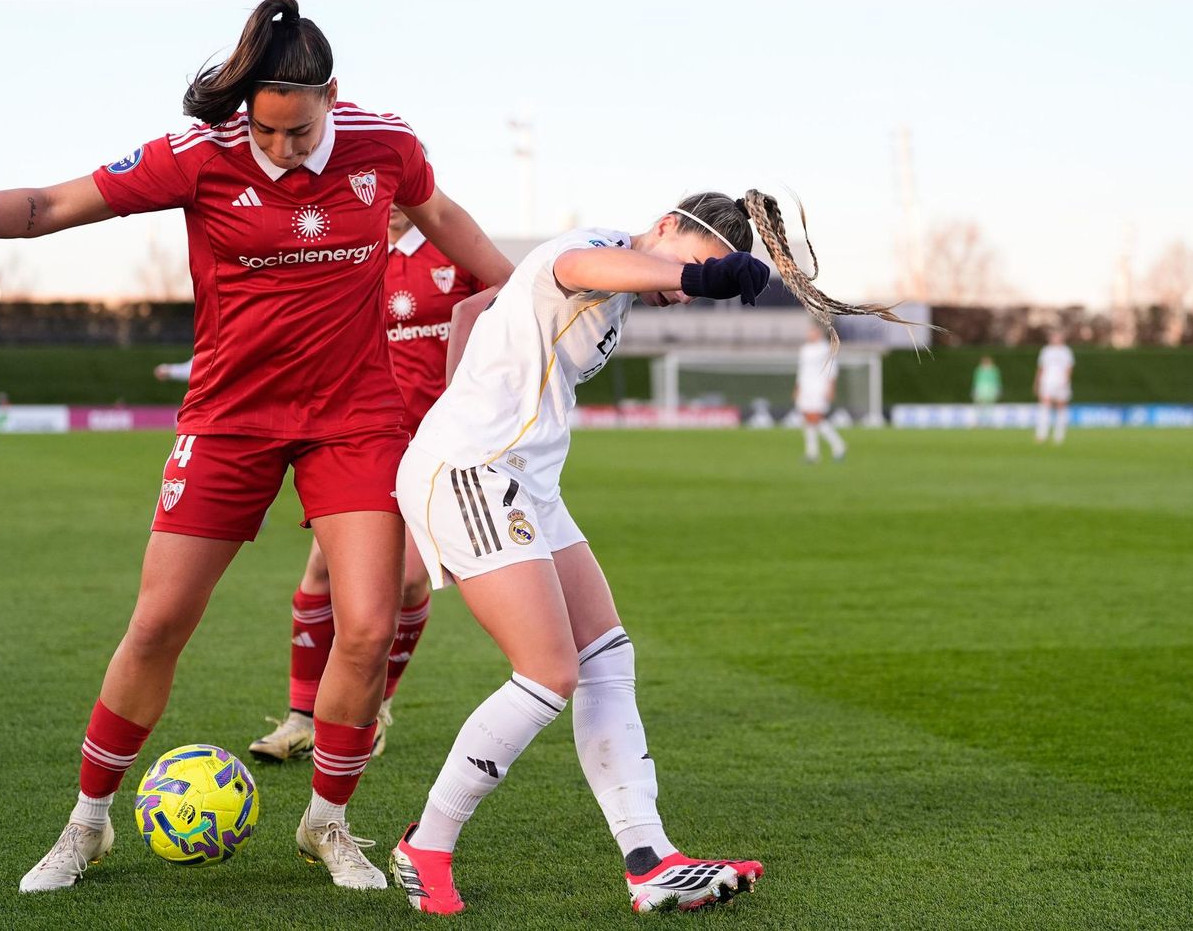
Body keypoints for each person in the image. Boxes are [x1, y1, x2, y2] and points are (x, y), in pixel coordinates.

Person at [0, 0, 513, 893]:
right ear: (243, 107)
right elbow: (47, 205)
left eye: (300, 130)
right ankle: (87, 822)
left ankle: (329, 825)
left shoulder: (386, 142)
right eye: (267, 130)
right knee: (158, 624)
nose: (283, 149)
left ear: (335, 95)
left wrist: (528, 292)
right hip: (229, 419)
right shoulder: (198, 155)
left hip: (353, 417)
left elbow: (443, 216)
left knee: (369, 628)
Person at [390, 190, 911, 915]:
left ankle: (650, 861)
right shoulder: (597, 248)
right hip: (476, 470)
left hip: (524, 475)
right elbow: (582, 265)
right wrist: (696, 277)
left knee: (607, 653)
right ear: (666, 226)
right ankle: (427, 845)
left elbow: (471, 312)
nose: (686, 293)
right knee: (547, 672)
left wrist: (467, 398)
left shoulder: (629, 282)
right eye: (692, 267)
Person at [249, 207, 482, 763]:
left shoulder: (459, 251)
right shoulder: (349, 248)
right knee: (322, 571)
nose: (395, 200)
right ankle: (301, 717)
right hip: (361, 439)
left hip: (440, 447)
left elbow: (505, 311)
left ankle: (374, 708)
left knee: (404, 583)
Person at [794, 323, 846, 462]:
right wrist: (798, 388)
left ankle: (838, 445)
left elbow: (832, 368)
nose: (809, 334)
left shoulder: (825, 348)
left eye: (812, 331)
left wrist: (831, 387)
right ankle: (812, 453)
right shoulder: (804, 349)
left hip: (819, 386)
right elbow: (802, 370)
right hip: (806, 386)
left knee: (815, 417)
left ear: (818, 333)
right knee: (807, 418)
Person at [1033, 330, 1074, 444]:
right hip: (1047, 382)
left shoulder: (1066, 352)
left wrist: (1065, 381)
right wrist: (1037, 382)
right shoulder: (1046, 351)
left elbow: (1069, 368)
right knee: (1044, 406)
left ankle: (1059, 436)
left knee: (1061, 408)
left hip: (1061, 383)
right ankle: (1042, 434)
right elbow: (1041, 368)